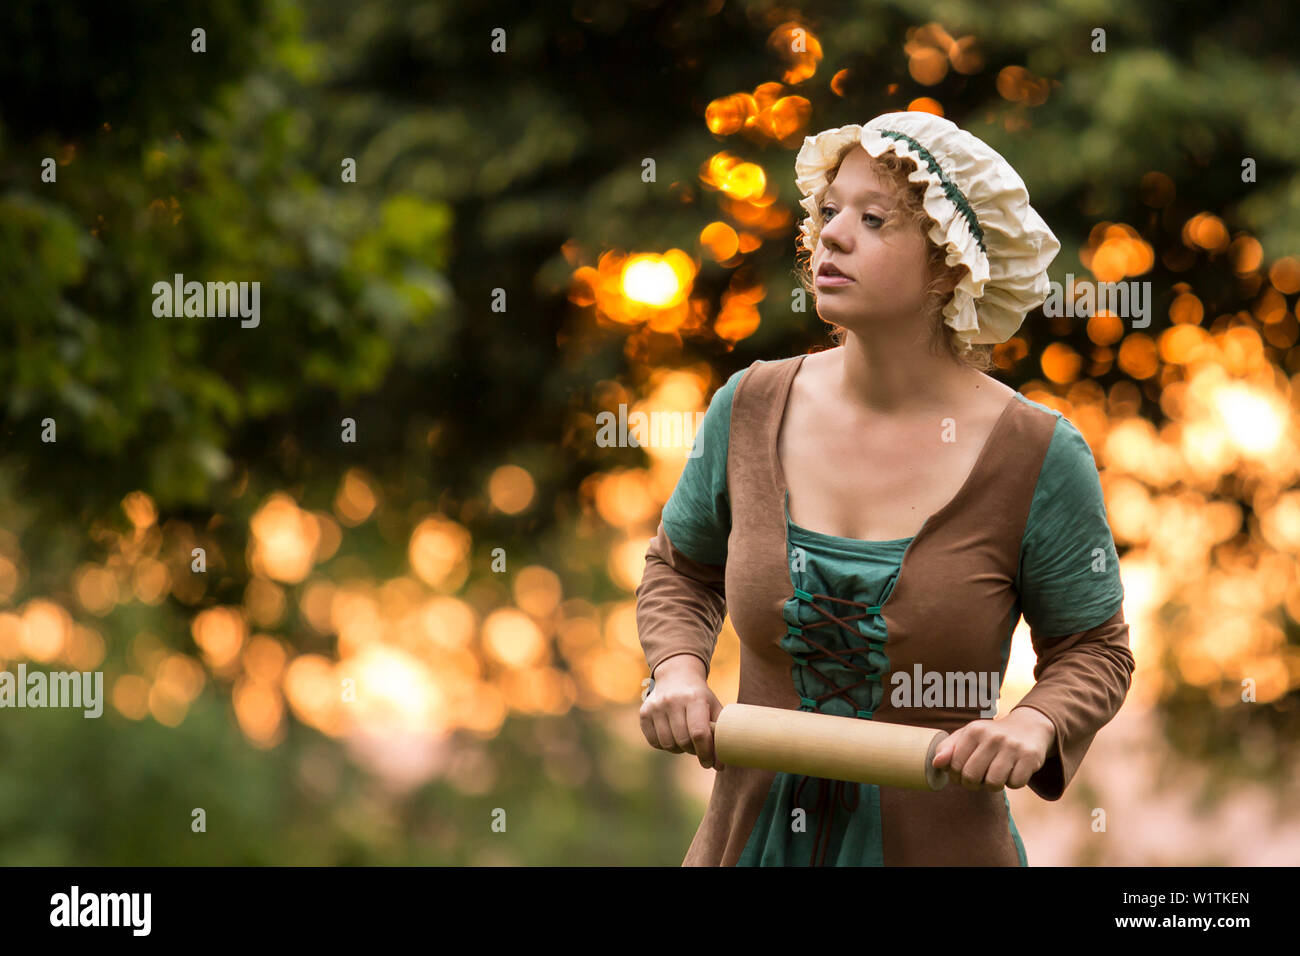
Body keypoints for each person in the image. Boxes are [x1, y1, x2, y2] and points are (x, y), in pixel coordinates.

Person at [635, 111, 1135, 866]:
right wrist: (676, 669)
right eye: (828, 212)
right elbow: (681, 567)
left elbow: (1094, 647)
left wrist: (1035, 722)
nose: (831, 236)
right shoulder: (749, 406)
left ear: (949, 265)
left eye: (874, 220)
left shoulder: (1036, 454)